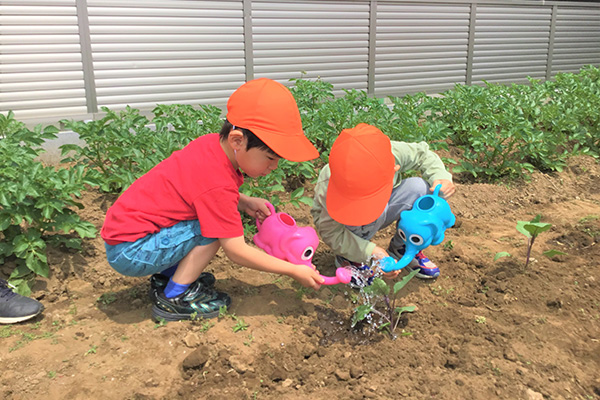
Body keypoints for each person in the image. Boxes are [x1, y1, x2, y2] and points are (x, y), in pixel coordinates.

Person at [101, 78, 324, 322]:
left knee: (211, 221)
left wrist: (242, 200)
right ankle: (174, 298)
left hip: (129, 238)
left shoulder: (211, 146)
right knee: (213, 231)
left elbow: (198, 191)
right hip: (131, 251)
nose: (274, 166)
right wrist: (293, 270)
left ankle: (169, 276)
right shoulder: (217, 183)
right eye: (269, 158)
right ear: (237, 140)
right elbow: (236, 251)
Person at [311, 123, 456, 280]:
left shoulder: (390, 154)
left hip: (379, 211)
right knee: (362, 214)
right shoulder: (331, 183)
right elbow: (330, 231)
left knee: (419, 187)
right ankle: (350, 256)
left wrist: (440, 176)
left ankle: (403, 246)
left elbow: (423, 154)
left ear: (394, 167)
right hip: (342, 225)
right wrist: (371, 252)